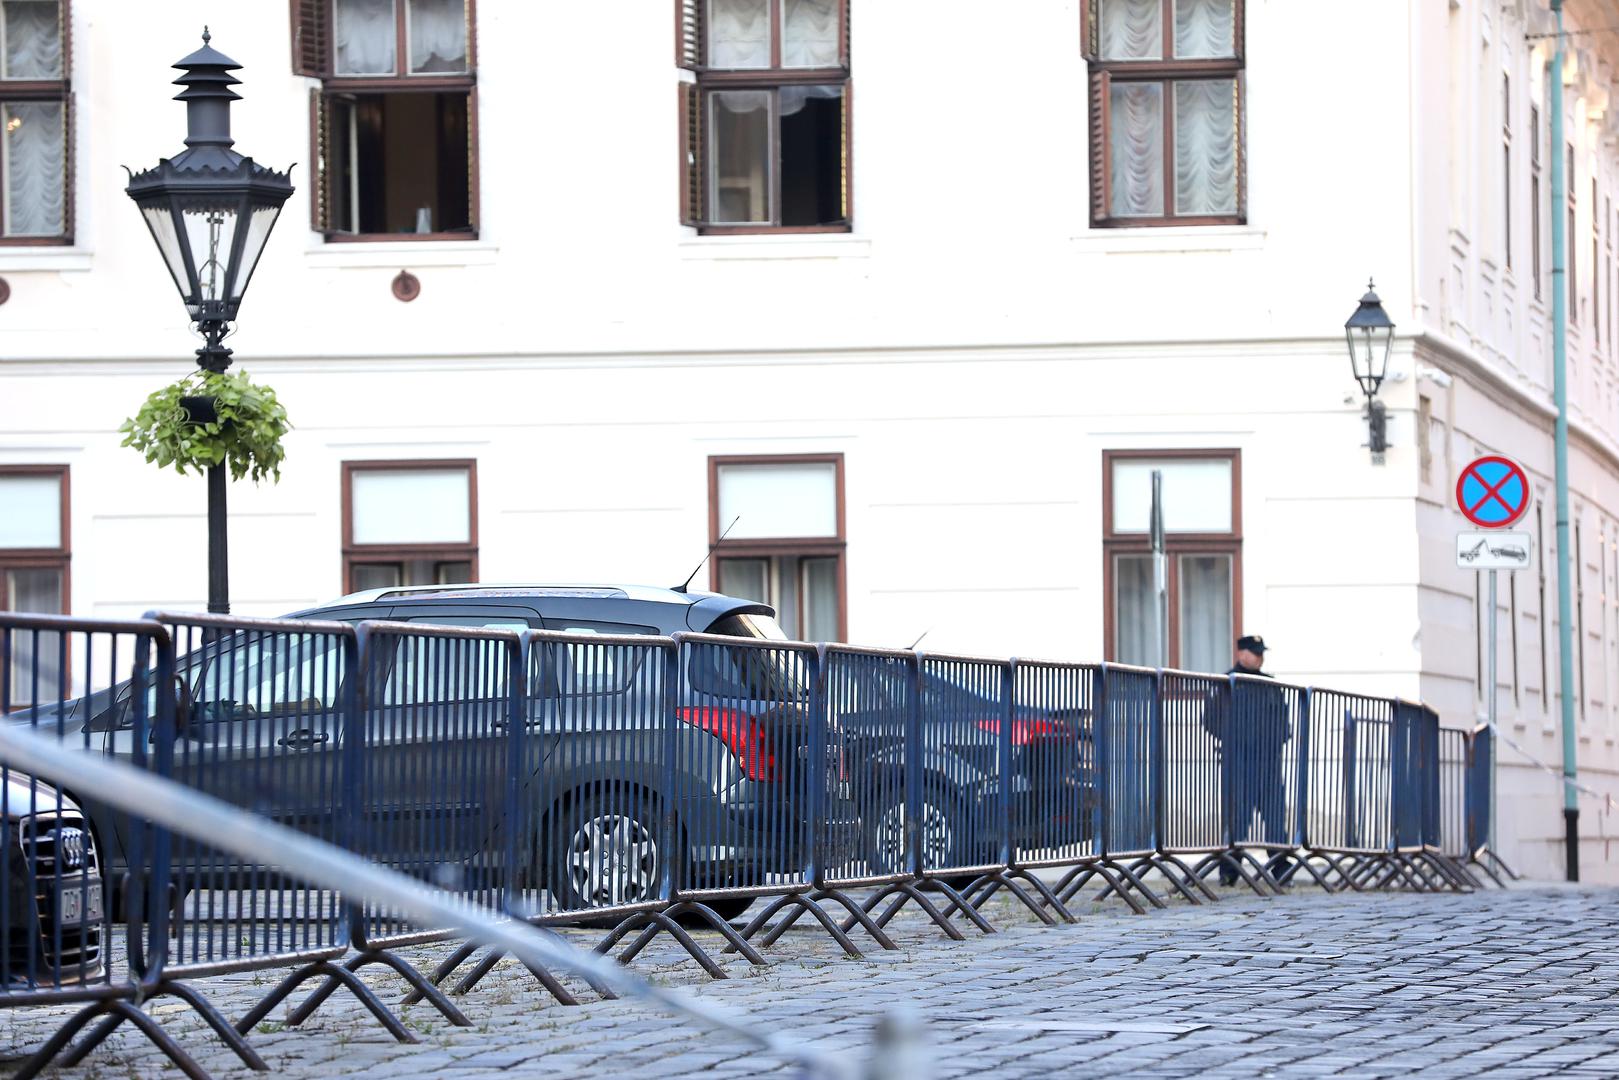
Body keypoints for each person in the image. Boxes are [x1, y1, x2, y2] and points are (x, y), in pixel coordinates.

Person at [1217, 635, 1292, 885]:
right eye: (1255, 652)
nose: (1260, 658)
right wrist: (1236, 741)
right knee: (1237, 819)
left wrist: (1275, 741)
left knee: (1275, 818)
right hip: (1239, 762)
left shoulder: (1269, 684)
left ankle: (1281, 870)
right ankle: (1229, 872)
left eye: (1261, 653)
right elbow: (1211, 719)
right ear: (1241, 653)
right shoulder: (1227, 683)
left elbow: (1283, 722)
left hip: (1268, 763)